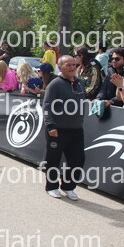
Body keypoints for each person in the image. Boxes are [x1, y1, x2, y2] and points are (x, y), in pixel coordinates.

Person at [42, 55, 86, 201]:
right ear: (60, 67)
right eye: (68, 65)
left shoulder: (80, 83)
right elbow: (47, 106)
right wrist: (50, 125)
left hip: (76, 130)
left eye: (74, 65)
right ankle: (51, 186)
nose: (72, 68)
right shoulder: (55, 84)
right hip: (57, 130)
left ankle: (68, 186)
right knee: (53, 160)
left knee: (77, 160)